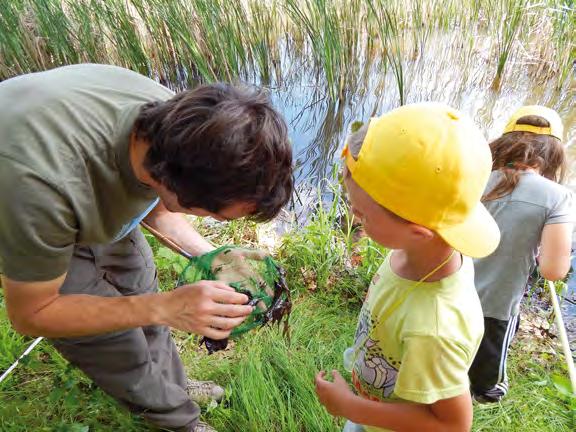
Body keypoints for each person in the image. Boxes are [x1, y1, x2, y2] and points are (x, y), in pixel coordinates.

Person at [0, 64, 293, 432]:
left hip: (70, 181)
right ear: (179, 188)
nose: (221, 225)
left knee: (141, 284)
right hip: (17, 197)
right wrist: (164, 307)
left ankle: (174, 385)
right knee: (114, 342)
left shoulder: (176, 123)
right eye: (218, 217)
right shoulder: (40, 188)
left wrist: (211, 256)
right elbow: (32, 314)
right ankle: (180, 423)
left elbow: (161, 203)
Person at [314, 103, 500, 432]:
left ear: (418, 232)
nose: (355, 220)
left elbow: (452, 426)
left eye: (361, 215)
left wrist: (350, 407)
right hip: (371, 408)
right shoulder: (422, 252)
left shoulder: (434, 329)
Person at [468, 105, 573, 403]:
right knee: (488, 362)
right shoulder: (558, 197)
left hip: (450, 285)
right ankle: (486, 391)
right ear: (554, 154)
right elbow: (553, 270)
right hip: (496, 302)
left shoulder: (475, 178)